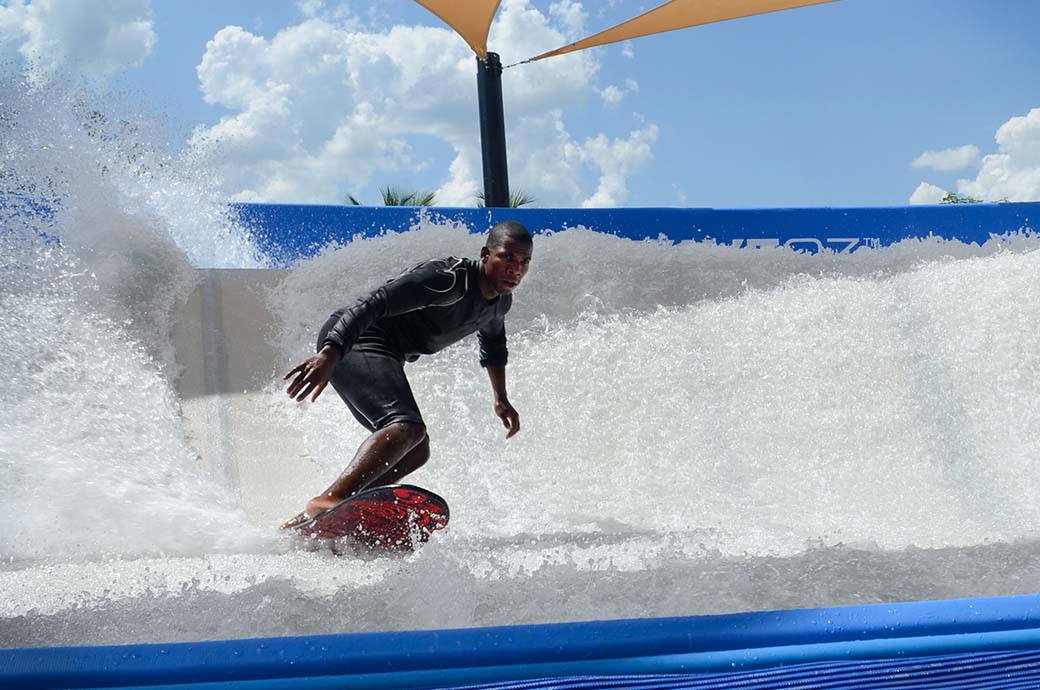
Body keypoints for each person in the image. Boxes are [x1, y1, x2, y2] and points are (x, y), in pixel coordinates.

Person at [280, 220, 533, 528]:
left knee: (417, 450)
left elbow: (493, 345)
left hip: (384, 352)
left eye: (524, 262)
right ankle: (330, 499)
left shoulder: (499, 304)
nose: (515, 269)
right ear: (485, 254)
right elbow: (374, 302)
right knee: (406, 427)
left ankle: (332, 513)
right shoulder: (449, 280)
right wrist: (331, 351)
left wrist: (501, 398)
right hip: (355, 339)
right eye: (507, 257)